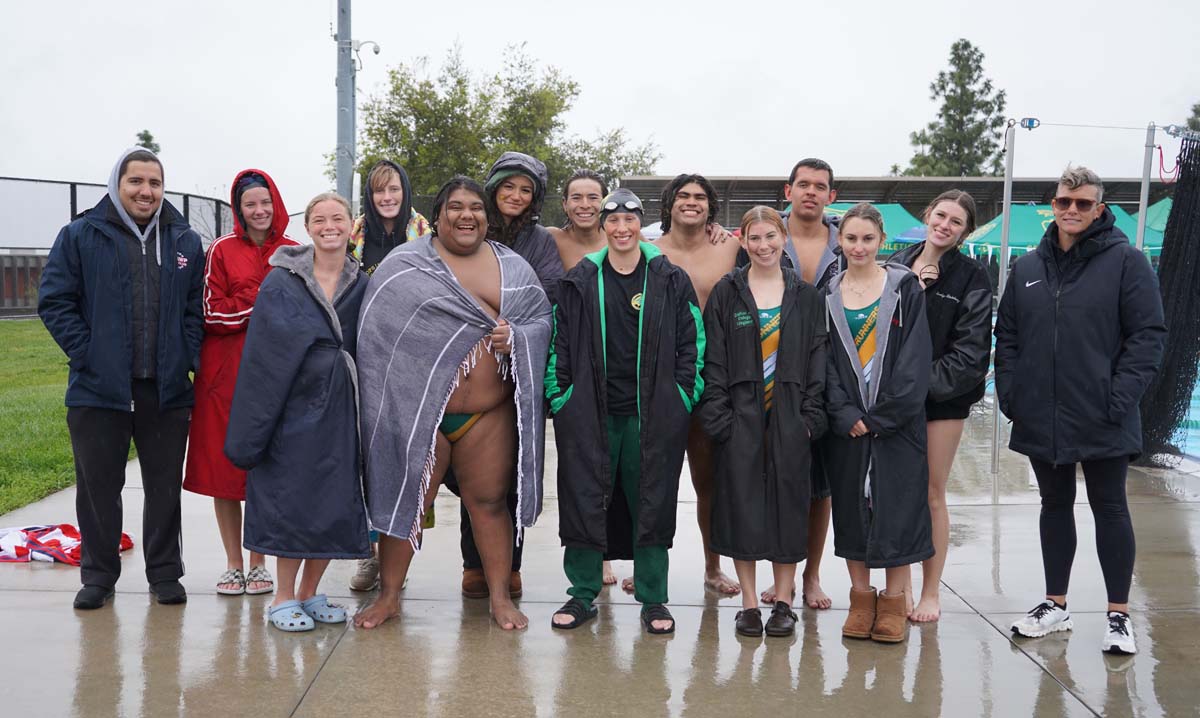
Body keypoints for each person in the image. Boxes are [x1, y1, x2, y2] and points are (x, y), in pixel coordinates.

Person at [354, 176, 552, 630]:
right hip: (421, 412)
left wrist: (518, 337)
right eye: (456, 207)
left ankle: (500, 598)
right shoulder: (404, 266)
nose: (468, 215)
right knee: (408, 501)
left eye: (476, 208)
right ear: (437, 216)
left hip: (487, 414)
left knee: (488, 502)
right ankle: (388, 596)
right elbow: (377, 336)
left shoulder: (513, 268)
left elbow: (542, 320)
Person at [997, 166, 1165, 655]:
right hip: (1041, 412)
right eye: (1064, 202)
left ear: (1100, 208)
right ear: (1053, 204)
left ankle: (1118, 614)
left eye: (1083, 203)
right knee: (1054, 505)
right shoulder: (1028, 267)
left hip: (1104, 413)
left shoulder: (1127, 262)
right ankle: (1055, 604)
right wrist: (1012, 394)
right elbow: (1007, 335)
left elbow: (1148, 336)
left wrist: (1118, 399)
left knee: (1110, 507)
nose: (1072, 210)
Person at [38, 147, 204, 610]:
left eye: (154, 183)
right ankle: (98, 575)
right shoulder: (79, 236)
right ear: (117, 184)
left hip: (165, 389)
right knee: (98, 488)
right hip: (98, 390)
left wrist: (185, 356)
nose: (145, 191)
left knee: (164, 487)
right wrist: (88, 353)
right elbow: (54, 301)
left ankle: (165, 573)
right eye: (136, 182)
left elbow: (195, 311)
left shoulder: (185, 241)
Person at [546, 188, 704, 634]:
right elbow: (560, 342)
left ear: (641, 224)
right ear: (603, 226)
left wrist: (682, 396)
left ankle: (653, 599)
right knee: (582, 498)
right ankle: (582, 593)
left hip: (652, 416)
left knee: (651, 502)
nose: (620, 228)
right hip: (589, 414)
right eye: (611, 221)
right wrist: (562, 398)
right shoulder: (579, 280)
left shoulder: (668, 278)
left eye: (629, 220)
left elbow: (693, 340)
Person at [223, 192, 371, 632]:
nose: (329, 226)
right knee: (292, 495)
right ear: (307, 228)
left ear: (350, 226)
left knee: (334, 494)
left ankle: (309, 592)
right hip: (289, 404)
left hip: (342, 405)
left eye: (338, 218)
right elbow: (263, 354)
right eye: (320, 219)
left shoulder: (361, 283)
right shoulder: (282, 281)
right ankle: (283, 597)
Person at [432, 152, 566, 602]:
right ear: (493, 190)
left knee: (505, 478)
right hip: (453, 378)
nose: (515, 195)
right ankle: (473, 563)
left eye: (526, 190)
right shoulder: (463, 232)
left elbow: (545, 298)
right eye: (508, 186)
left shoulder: (540, 242)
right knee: (470, 481)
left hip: (510, 381)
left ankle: (508, 567)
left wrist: (518, 328)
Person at [699, 206, 828, 638]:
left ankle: (785, 602)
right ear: (743, 241)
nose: (763, 246)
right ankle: (751, 604)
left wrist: (810, 418)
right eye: (754, 238)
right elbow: (713, 360)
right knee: (743, 507)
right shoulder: (727, 293)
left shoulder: (806, 296)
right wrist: (719, 418)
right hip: (741, 420)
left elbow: (818, 359)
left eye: (770, 237)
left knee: (790, 508)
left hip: (791, 420)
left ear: (783, 238)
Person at [184, 169, 297, 597]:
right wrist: (264, 299)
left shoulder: (293, 251)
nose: (259, 210)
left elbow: (299, 311)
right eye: (250, 204)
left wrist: (252, 301)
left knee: (268, 467)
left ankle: (258, 560)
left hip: (276, 372)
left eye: (265, 202)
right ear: (239, 209)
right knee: (226, 468)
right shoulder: (220, 250)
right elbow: (213, 312)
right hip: (224, 375)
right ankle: (233, 562)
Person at [823, 203, 932, 644]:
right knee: (851, 508)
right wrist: (845, 414)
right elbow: (824, 361)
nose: (859, 246)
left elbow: (915, 361)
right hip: (847, 425)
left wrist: (883, 417)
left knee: (897, 508)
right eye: (851, 238)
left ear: (881, 242)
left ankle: (892, 603)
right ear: (840, 241)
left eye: (868, 239)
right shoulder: (828, 293)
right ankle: (860, 599)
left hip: (896, 425)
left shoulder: (904, 288)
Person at [888, 190, 992, 622]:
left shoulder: (972, 277)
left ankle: (931, 591)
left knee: (931, 493)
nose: (946, 225)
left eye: (957, 222)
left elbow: (970, 354)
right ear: (928, 214)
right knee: (896, 494)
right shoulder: (894, 266)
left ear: (965, 232)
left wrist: (916, 388)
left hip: (940, 400)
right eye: (942, 215)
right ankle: (901, 588)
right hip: (892, 398)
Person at [756, 157, 844, 611]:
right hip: (776, 375)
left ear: (831, 195)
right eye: (803, 184)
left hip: (833, 373)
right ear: (788, 190)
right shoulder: (769, 235)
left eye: (821, 186)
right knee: (776, 479)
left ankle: (810, 576)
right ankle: (780, 574)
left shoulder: (846, 243)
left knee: (819, 485)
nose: (811, 191)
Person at [653, 173, 742, 596]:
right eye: (684, 196)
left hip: (711, 379)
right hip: (659, 378)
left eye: (700, 197)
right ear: (669, 204)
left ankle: (712, 567)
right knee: (653, 480)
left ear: (711, 208)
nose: (692, 202)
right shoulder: (647, 250)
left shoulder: (729, 248)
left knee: (708, 483)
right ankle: (648, 564)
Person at [345, 159, 430, 593]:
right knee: (366, 458)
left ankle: (399, 553)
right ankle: (369, 553)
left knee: (406, 458)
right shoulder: (354, 235)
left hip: (413, 361)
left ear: (405, 190)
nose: (387, 197)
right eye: (379, 190)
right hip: (366, 357)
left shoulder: (426, 234)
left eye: (394, 188)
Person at [548, 169, 608, 272]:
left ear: (605, 203)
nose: (585, 205)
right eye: (576, 198)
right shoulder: (550, 239)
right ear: (565, 204)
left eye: (593, 198)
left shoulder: (621, 238)